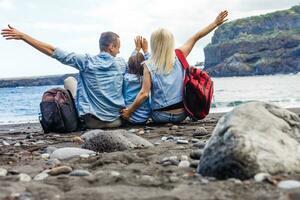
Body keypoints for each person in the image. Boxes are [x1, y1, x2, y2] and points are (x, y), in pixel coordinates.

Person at [1, 25, 126, 129]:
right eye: (118, 48)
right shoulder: (121, 64)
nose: (119, 52)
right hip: (116, 121)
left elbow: (52, 51)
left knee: (69, 80)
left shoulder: (86, 62)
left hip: (92, 123)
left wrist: (23, 36)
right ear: (111, 47)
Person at [121, 10, 228, 124]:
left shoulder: (148, 65)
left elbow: (144, 94)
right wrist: (215, 23)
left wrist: (129, 111)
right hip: (181, 114)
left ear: (154, 43)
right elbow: (196, 37)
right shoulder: (179, 55)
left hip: (159, 116)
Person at [123, 36, 151, 124]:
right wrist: (146, 51)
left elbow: (129, 65)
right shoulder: (146, 79)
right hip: (144, 116)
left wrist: (137, 49)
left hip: (128, 116)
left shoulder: (126, 78)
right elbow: (151, 65)